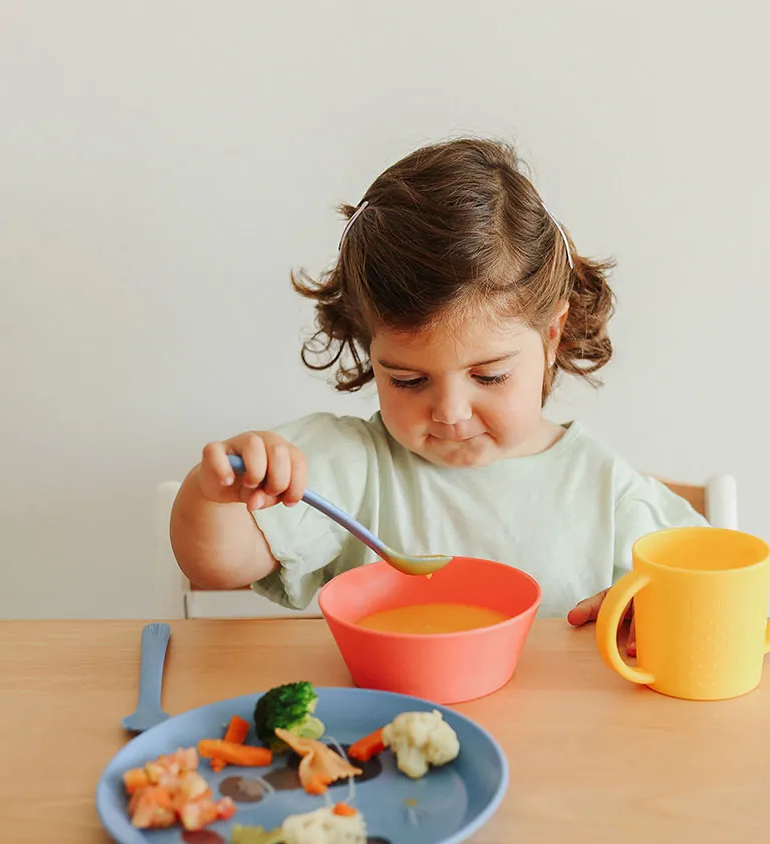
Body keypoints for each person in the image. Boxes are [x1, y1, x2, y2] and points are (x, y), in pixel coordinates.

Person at [170, 137, 707, 648]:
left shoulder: (604, 491)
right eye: (408, 380)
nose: (450, 412)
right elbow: (217, 567)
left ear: (551, 336)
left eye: (488, 376)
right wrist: (214, 495)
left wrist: (660, 606)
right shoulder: (347, 467)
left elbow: (720, 596)